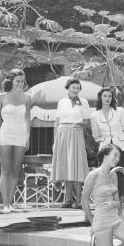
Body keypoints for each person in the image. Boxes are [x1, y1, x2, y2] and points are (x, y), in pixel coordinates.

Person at [0, 68, 31, 213]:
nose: (20, 84)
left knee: (15, 171)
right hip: (5, 134)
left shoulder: (27, 98)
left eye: (22, 81)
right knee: (5, 170)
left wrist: (27, 136)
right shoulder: (1, 97)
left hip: (20, 135)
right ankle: (5, 203)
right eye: (17, 81)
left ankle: (11, 203)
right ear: (11, 81)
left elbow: (27, 119)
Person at [52, 78, 92, 209]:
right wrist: (55, 141)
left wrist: (81, 124)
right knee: (66, 166)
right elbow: (57, 122)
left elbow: (88, 121)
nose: (75, 90)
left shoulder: (83, 102)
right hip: (62, 133)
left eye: (77, 88)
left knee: (76, 166)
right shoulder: (61, 102)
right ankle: (68, 199)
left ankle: (79, 200)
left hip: (76, 133)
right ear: (68, 88)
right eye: (73, 87)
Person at [90, 87, 124, 203]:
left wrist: (119, 138)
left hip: (120, 147)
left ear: (112, 98)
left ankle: (121, 203)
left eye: (109, 96)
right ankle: (107, 201)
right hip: (105, 150)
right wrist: (104, 139)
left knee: (120, 175)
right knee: (105, 175)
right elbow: (96, 136)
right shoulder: (94, 116)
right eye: (104, 96)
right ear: (100, 98)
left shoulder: (120, 111)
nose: (107, 98)